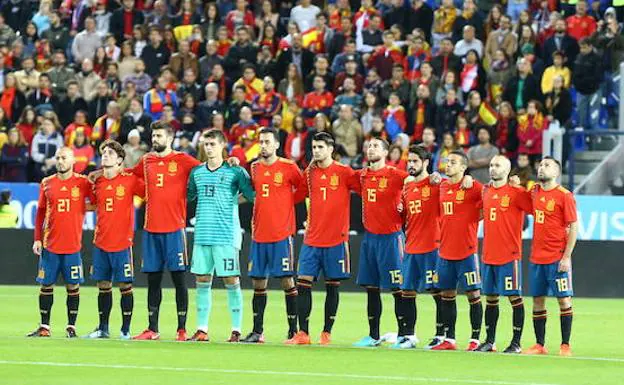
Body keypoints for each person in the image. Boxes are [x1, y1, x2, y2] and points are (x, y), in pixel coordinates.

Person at [126, 121, 201, 341]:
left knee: (179, 279)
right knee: (153, 280)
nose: (155, 139)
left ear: (170, 138)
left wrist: (230, 162)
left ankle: (181, 329)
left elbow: (206, 169)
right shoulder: (147, 160)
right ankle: (152, 328)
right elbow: (131, 175)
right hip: (151, 230)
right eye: (154, 136)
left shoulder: (183, 160)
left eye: (159, 136)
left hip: (174, 229)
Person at [288, 132, 359, 345]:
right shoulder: (309, 174)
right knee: (303, 283)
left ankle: (326, 332)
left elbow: (366, 190)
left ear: (330, 149)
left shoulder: (345, 172)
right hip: (312, 239)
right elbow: (296, 197)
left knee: (332, 286)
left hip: (336, 239)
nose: (316, 151)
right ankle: (303, 333)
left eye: (320, 147)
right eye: (314, 147)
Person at [187, 129, 254, 342]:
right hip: (203, 233)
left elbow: (252, 195)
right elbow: (188, 196)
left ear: (223, 145)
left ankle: (236, 330)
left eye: (212, 144)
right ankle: (202, 329)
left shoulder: (235, 171)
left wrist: (233, 200)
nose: (208, 148)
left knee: (230, 279)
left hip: (226, 234)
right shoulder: (197, 172)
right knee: (202, 279)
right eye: (206, 144)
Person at [241, 128, 302, 343]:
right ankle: (258, 332)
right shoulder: (254, 167)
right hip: (259, 234)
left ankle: (293, 331)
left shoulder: (288, 167)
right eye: (261, 142)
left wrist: (286, 206)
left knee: (287, 280)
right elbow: (249, 192)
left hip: (281, 234)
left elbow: (303, 189)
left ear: (276, 144)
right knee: (258, 282)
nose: (263, 145)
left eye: (267, 142)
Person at [28, 147, 94, 338]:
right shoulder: (47, 183)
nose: (60, 161)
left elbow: (97, 200)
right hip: (50, 245)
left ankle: (71, 327)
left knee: (73, 287)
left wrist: (82, 207)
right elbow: (40, 211)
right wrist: (37, 239)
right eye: (57, 158)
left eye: (64, 157)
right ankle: (44, 327)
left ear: (73, 161)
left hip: (73, 245)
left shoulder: (83, 182)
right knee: (46, 285)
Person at [84, 140, 144, 340]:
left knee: (125, 286)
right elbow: (91, 205)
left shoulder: (130, 179)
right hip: (100, 241)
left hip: (122, 243)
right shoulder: (97, 182)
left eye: (110, 153)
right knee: (103, 285)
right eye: (104, 153)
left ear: (120, 159)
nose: (106, 156)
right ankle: (103, 328)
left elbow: (150, 193)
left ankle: (125, 330)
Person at [353, 137, 409, 347]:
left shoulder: (395, 175)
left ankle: (405, 334)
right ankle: (373, 335)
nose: (371, 149)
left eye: (376, 146)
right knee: (372, 288)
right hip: (370, 239)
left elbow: (417, 182)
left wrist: (435, 178)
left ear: (386, 152)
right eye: (368, 146)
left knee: (397, 288)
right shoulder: (362, 176)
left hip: (391, 238)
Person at [477, 155, 533, 353]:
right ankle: (489, 341)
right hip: (488, 255)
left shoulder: (517, 192)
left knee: (514, 298)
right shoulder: (485, 191)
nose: (493, 168)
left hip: (509, 255)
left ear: (508, 170)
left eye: (497, 165)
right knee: (490, 299)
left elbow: (538, 209)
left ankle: (516, 343)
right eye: (491, 164)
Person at [524, 157, 578, 357]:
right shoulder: (535, 192)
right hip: (536, 258)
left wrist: (566, 257)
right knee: (538, 300)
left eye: (547, 165)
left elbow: (573, 227)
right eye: (540, 165)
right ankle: (540, 344)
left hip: (557, 258)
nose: (541, 167)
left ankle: (565, 345)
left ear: (556, 172)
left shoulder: (565, 196)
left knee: (564, 301)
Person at [432, 150, 484, 351]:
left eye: (453, 162)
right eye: (447, 161)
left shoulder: (473, 187)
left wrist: (471, 178)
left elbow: (491, 196)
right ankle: (449, 339)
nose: (448, 165)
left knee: (473, 295)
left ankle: (475, 339)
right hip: (445, 250)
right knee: (447, 295)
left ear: (463, 167)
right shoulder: (442, 186)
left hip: (467, 251)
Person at [398, 145, 446, 349]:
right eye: (409, 161)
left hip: (432, 247)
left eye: (415, 161)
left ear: (426, 163)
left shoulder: (437, 184)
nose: (411, 165)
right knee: (407, 292)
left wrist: (440, 176)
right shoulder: (407, 187)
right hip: (411, 247)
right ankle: (409, 336)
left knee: (437, 292)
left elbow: (453, 186)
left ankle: (441, 335)